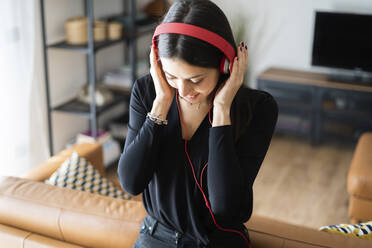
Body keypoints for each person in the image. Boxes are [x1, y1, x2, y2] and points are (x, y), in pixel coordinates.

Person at [117, 0, 278, 247]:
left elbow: (226, 208)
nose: (183, 90)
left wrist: (221, 111)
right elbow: (131, 182)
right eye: (172, 76)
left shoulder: (257, 108)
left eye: (196, 79)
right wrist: (160, 104)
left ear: (226, 65)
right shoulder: (148, 92)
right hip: (155, 237)